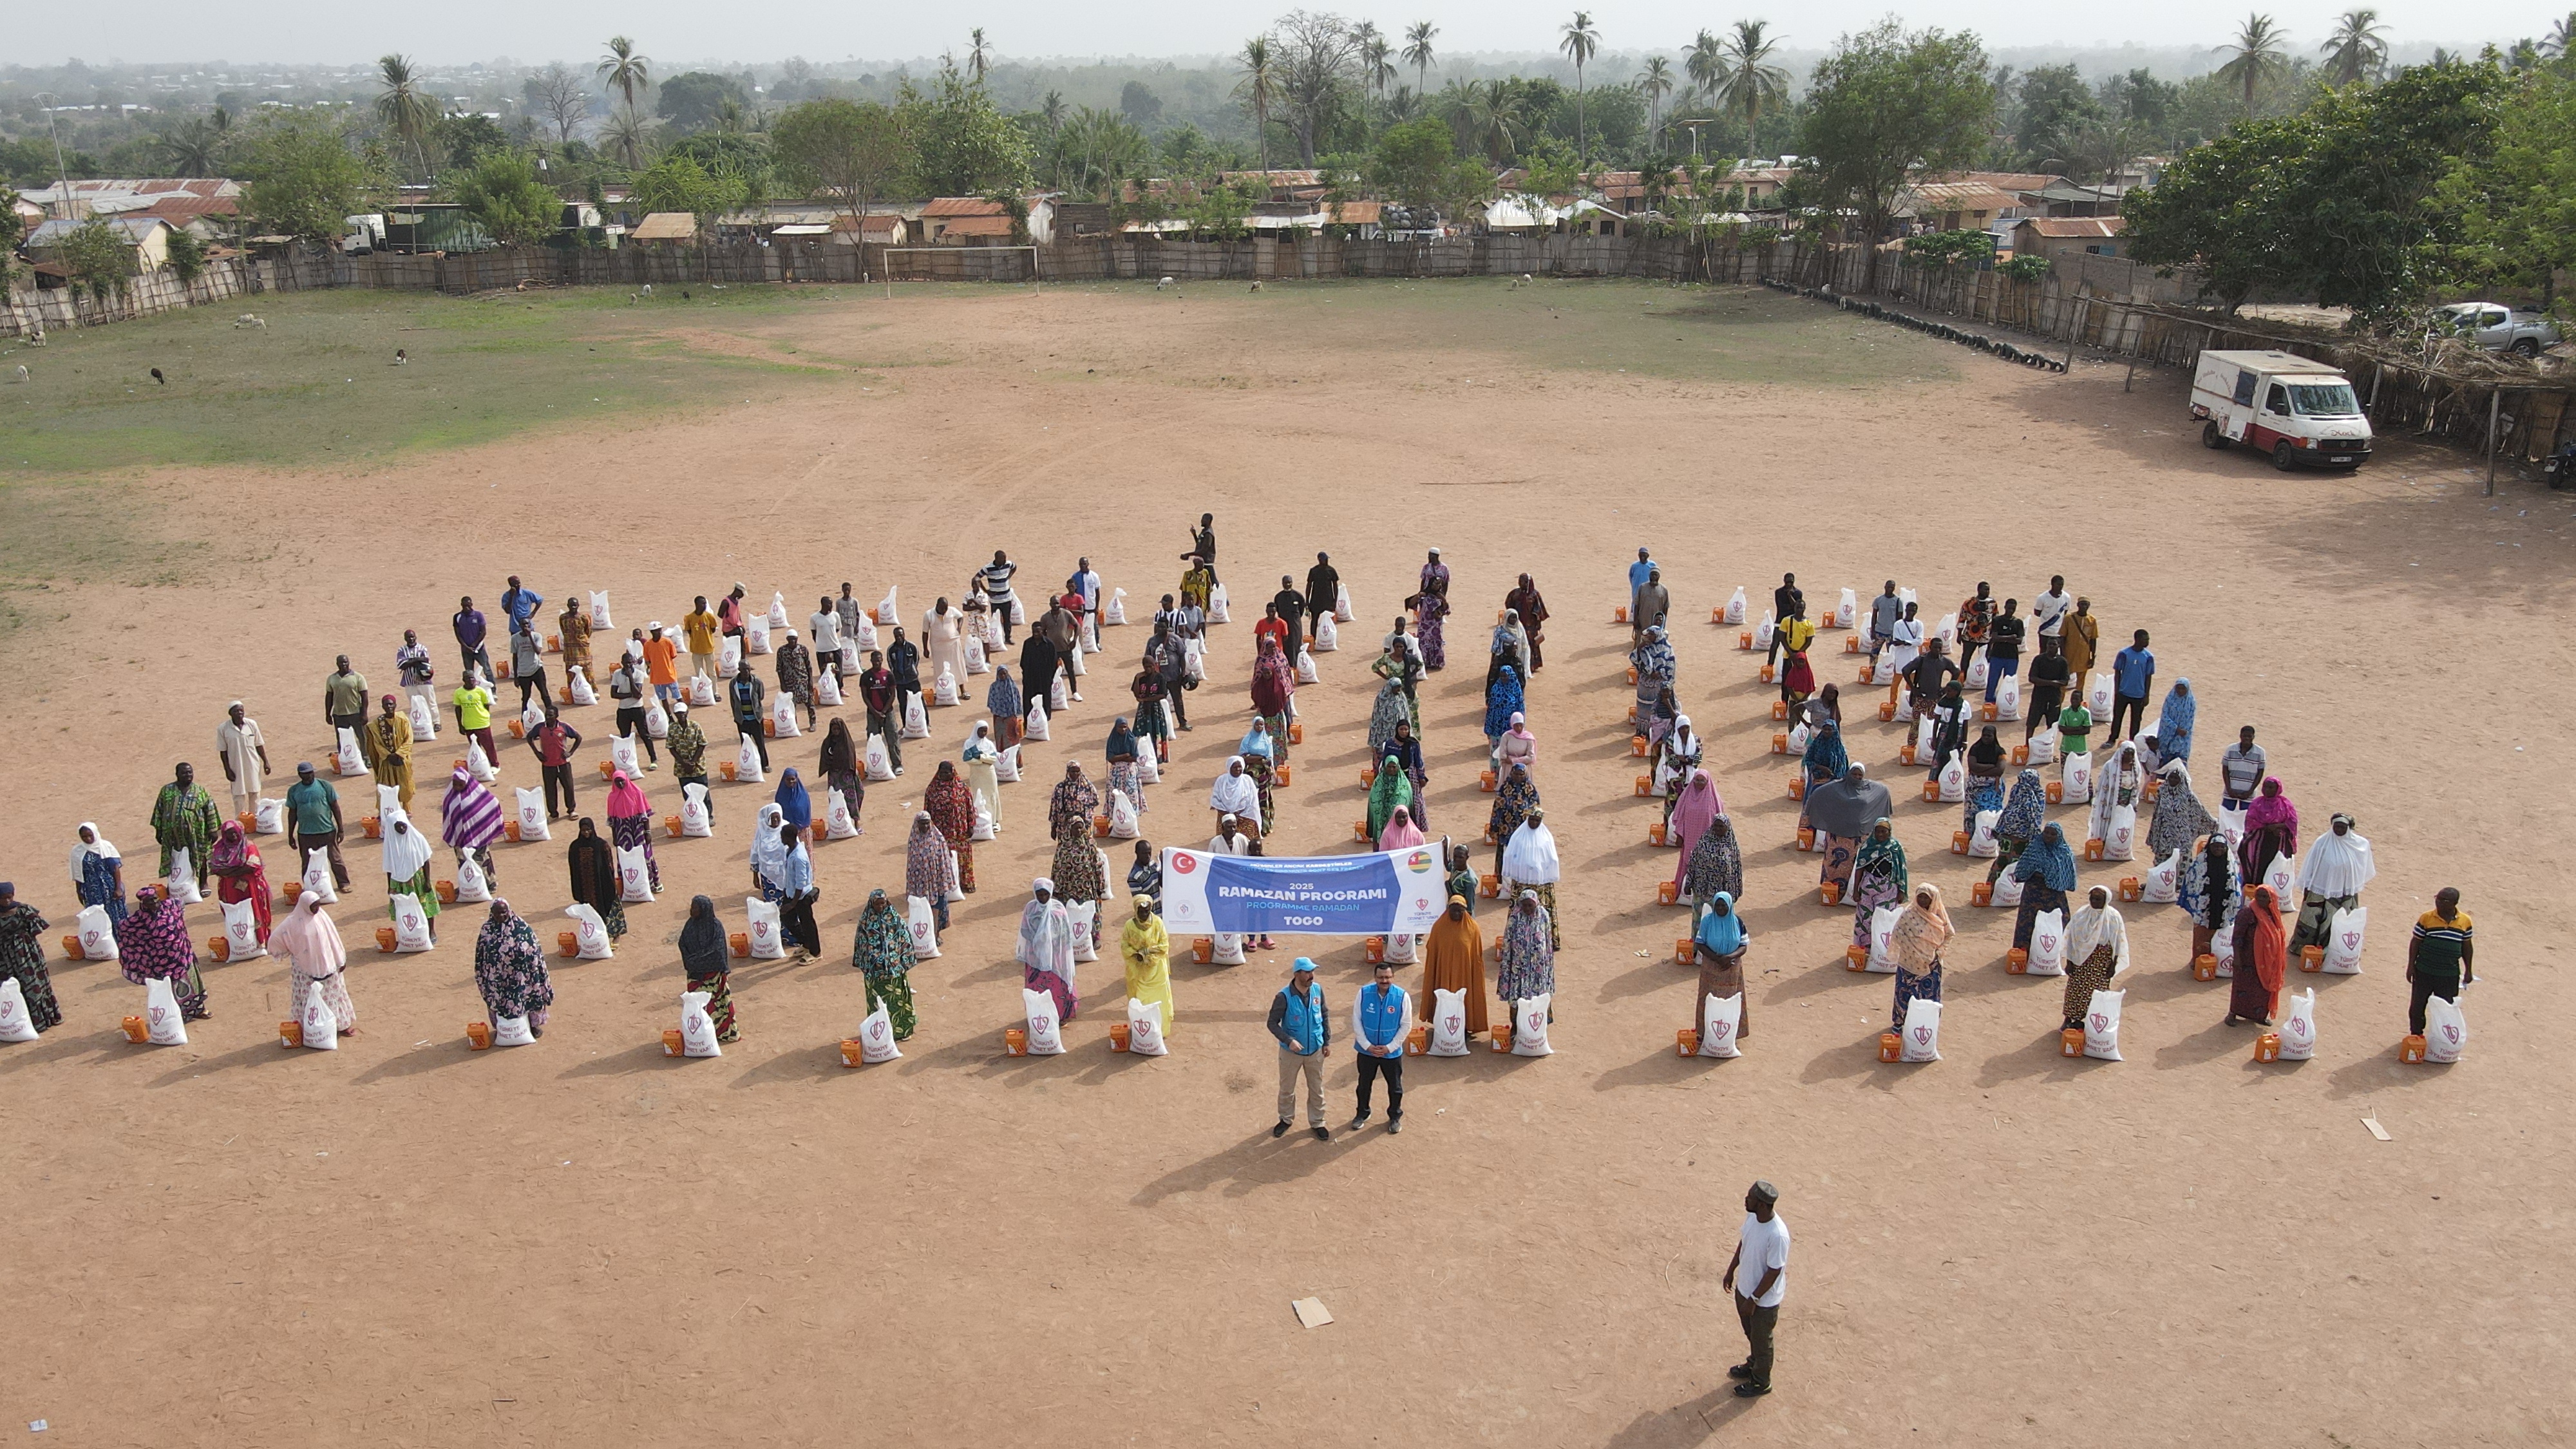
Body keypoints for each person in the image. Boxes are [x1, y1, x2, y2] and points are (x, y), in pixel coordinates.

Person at [1725, 1182, 1791, 1398]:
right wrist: (1731, 1269)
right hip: (1744, 1290)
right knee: (1751, 1334)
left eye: (1750, 1198)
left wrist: (1754, 1299)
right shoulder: (1753, 1217)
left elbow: (1774, 1271)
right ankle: (1753, 1365)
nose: (1746, 1199)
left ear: (1762, 1205)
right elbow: (1744, 1242)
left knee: (1762, 1342)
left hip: (1762, 1301)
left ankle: (1762, 1382)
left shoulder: (1778, 1235)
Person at [2289, 813, 2374, 954]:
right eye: (2337, 826)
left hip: (2344, 892)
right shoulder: (2322, 843)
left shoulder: (2358, 845)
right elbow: (2311, 865)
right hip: (2320, 891)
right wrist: (2308, 886)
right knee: (2313, 919)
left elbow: (2362, 866)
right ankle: (2305, 948)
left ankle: (2335, 951)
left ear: (2349, 828)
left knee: (2339, 921)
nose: (2339, 830)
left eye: (2343, 827)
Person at [117, 886, 206, 1021]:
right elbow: (123, 928)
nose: (153, 903)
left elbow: (180, 904)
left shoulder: (171, 907)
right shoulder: (139, 921)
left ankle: (199, 1009)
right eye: (149, 902)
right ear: (143, 904)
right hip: (161, 965)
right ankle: (177, 1015)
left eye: (154, 899)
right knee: (170, 990)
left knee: (192, 983)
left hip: (182, 956)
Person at [1804, 765, 1892, 896]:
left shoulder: (1869, 789)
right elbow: (1819, 793)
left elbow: (1883, 791)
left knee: (1855, 864)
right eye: (1854, 774)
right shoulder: (1836, 787)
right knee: (1835, 864)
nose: (1857, 777)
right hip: (1838, 837)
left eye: (1860, 775)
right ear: (1848, 774)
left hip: (1859, 837)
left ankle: (1851, 892)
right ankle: (1831, 890)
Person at [473, 900, 552, 1036]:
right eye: (497, 913)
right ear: (492, 913)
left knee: (526, 998)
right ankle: (504, 1029)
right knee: (499, 1001)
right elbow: (481, 953)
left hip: (522, 976)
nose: (501, 916)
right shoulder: (487, 930)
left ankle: (533, 1026)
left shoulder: (521, 927)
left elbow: (534, 950)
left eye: (504, 912)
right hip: (498, 977)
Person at [1049, 764, 1108, 946]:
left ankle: (1095, 935)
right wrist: (1057, 890)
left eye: (1080, 828)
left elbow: (1098, 865)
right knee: (1071, 910)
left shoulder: (1090, 845)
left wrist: (1100, 885)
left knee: (1091, 908)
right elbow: (1057, 869)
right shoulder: (1064, 847)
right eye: (1072, 771)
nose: (1078, 831)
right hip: (1070, 887)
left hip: (1088, 886)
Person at [1419, 895, 1490, 1038]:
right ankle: (1443, 1026)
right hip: (1443, 973)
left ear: (1465, 911)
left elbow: (1476, 956)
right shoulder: (1439, 927)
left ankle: (1464, 1027)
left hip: (1465, 975)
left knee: (1464, 999)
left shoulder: (1473, 928)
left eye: (1460, 911)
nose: (1457, 914)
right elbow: (1433, 950)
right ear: (1448, 909)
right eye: (1454, 910)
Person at [2060, 886, 2130, 1029]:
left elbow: (2117, 942)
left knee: (2098, 994)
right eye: (2092, 898)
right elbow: (2072, 939)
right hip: (2081, 962)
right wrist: (2069, 961)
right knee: (2075, 991)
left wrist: (2113, 965)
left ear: (2106, 900)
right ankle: (2069, 1019)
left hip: (2100, 964)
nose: (2094, 902)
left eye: (2098, 899)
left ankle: (2092, 1025)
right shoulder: (2082, 915)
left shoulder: (2113, 917)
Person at [851, 889, 918, 1039]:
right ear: (872, 904)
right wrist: (870, 964)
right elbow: (861, 946)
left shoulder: (895, 919)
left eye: (883, 903)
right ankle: (881, 1035)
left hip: (895, 970)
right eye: (877, 904)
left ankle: (902, 1030)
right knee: (878, 1003)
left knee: (898, 1001)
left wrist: (902, 962)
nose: (880, 907)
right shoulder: (865, 922)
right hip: (875, 972)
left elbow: (905, 940)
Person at [2407, 888, 2474, 1036]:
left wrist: (2469, 970)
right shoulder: (2426, 918)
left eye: (2444, 900)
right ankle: (2416, 1035)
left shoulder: (2465, 921)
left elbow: (2467, 947)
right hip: (2424, 970)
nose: (2439, 902)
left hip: (2449, 974)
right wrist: (2411, 966)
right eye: (2438, 898)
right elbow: (2416, 943)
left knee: (2447, 1008)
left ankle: (2441, 1037)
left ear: (2455, 903)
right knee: (2417, 1007)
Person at [676, 895, 738, 1044]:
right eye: (692, 907)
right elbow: (682, 944)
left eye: (695, 908)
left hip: (713, 974)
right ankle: (702, 1034)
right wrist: (691, 961)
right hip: (695, 974)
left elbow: (717, 950)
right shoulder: (690, 925)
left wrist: (697, 960)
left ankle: (724, 1032)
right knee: (698, 1005)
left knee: (718, 1003)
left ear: (703, 910)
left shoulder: (715, 926)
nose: (692, 911)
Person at [152, 761, 223, 891]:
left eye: (190, 772)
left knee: (200, 857)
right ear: (177, 774)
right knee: (175, 859)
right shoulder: (166, 791)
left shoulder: (200, 791)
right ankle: (175, 885)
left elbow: (210, 810)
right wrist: (159, 830)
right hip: (172, 835)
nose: (188, 775)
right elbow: (159, 811)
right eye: (184, 773)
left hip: (197, 834)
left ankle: (203, 883)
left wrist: (213, 830)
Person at [1890, 884, 1951, 1030]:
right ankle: (1900, 1022)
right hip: (1908, 963)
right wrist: (1913, 950)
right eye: (1920, 897)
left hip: (1931, 965)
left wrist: (1938, 953)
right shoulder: (1909, 914)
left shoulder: (1939, 916)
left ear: (1933, 900)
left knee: (1928, 995)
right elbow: (1898, 933)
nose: (1923, 901)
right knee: (1905, 992)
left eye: (1926, 898)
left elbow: (1949, 934)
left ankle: (1927, 1024)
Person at [0, 884, 59, 1034]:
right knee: (13, 987)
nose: (6, 901)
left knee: (34, 985)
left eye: (9, 897)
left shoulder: (24, 910)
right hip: (6, 958)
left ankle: (43, 1020)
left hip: (28, 955)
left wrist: (20, 941)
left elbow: (38, 928)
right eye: (2, 898)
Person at [1500, 808, 1562, 950]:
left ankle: (1546, 940)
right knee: (1520, 911)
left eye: (1537, 821)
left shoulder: (1546, 838)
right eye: (1532, 820)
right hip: (1522, 884)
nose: (1534, 823)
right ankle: (1515, 941)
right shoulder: (1518, 837)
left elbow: (1552, 858)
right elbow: (1510, 856)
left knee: (1541, 912)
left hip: (1540, 884)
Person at [2012, 823, 2078, 954]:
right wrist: (2037, 872)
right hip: (2034, 893)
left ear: (2059, 836)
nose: (2048, 836)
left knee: (2057, 921)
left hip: (2054, 894)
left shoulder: (2065, 852)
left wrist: (2050, 875)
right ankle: (2025, 950)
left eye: (2053, 834)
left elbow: (2067, 873)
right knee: (2029, 921)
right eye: (2046, 833)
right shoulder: (2034, 848)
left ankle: (2054, 952)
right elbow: (2022, 869)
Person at [1691, 891, 1750, 1038]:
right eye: (1718, 905)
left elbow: (1743, 946)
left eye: (1724, 905)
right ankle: (1705, 1033)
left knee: (1731, 1001)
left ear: (1730, 906)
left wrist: (1730, 957)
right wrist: (1717, 959)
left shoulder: (1738, 922)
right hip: (1711, 968)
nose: (1720, 908)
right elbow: (1700, 943)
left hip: (1732, 968)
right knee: (1708, 999)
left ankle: (1731, 1035)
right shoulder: (1707, 922)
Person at [2226, 884, 2287, 1027]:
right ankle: (2233, 1013)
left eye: (2265, 896)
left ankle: (2258, 1015)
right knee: (2243, 986)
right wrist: (2238, 958)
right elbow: (2238, 937)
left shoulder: (2273, 914)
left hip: (2267, 961)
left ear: (2271, 899)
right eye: (2259, 895)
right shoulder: (2248, 913)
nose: (2261, 899)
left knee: (2262, 989)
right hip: (2248, 959)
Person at [1019, 879, 1079, 1021]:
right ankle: (1038, 1016)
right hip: (1036, 957)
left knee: (1056, 986)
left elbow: (1065, 934)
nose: (1043, 898)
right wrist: (1038, 941)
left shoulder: (1058, 909)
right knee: (1037, 988)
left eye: (1046, 894)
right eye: (1039, 895)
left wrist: (1051, 941)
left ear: (1051, 893)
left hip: (1055, 957)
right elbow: (1024, 929)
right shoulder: (1030, 909)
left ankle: (1060, 1015)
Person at [2181, 829, 2240, 971]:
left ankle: (2218, 966)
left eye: (2222, 847)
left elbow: (2236, 888)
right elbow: (2192, 884)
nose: (2218, 849)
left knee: (2220, 938)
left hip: (2223, 910)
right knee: (2202, 937)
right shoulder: (2200, 864)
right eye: (2215, 847)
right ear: (2209, 847)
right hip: (2204, 911)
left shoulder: (2231, 866)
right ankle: (2199, 963)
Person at [440, 762, 505, 890]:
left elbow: (492, 803)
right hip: (460, 839)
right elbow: (448, 816)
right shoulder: (450, 796)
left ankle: (489, 884)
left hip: (478, 836)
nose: (458, 787)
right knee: (464, 863)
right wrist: (452, 836)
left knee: (482, 861)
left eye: (461, 784)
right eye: (455, 784)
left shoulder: (477, 793)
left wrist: (485, 828)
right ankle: (469, 887)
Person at [1495, 889, 1555, 1026]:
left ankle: (1538, 1026)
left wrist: (1548, 965)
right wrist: (1507, 966)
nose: (1527, 909)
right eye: (1524, 905)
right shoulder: (1514, 918)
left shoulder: (1544, 916)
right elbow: (1507, 942)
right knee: (1517, 998)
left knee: (1538, 996)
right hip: (1518, 969)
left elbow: (1548, 942)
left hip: (1538, 970)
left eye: (1530, 905)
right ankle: (1516, 1026)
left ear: (1536, 905)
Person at [209, 821, 271, 947]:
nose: (233, 835)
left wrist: (230, 872)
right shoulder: (220, 849)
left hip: (250, 888)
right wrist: (238, 869)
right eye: (229, 833)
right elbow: (217, 870)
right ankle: (241, 945)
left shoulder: (249, 846)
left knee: (253, 911)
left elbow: (252, 867)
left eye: (235, 832)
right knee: (235, 916)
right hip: (230, 890)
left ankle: (259, 942)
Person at [1848, 819, 1907, 949]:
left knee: (1884, 918)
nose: (1880, 835)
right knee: (1865, 918)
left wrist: (1901, 891)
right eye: (1878, 831)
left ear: (1889, 832)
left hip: (1888, 889)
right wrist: (1856, 890)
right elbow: (1860, 869)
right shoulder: (1867, 847)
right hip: (1868, 887)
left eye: (1884, 832)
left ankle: (1881, 949)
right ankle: (1864, 948)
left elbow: (1901, 869)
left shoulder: (1895, 848)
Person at [1122, 893, 1175, 1039]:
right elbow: (1124, 945)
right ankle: (1142, 1032)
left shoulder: (1158, 923)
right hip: (1138, 974)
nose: (1145, 914)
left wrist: (1146, 953)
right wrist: (1135, 954)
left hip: (1157, 972)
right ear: (1135, 910)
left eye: (1147, 910)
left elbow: (1164, 946)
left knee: (1159, 1003)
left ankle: (1160, 1031)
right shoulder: (1129, 926)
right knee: (1140, 1004)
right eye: (1141, 910)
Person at [382, 808, 438, 943]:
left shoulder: (416, 838)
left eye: (403, 824)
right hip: (399, 882)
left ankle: (431, 931)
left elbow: (425, 860)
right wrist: (390, 886)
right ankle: (408, 935)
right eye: (398, 826)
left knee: (425, 905)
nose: (402, 828)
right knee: (404, 911)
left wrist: (428, 881)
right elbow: (389, 868)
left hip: (418, 879)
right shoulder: (391, 845)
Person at [567, 819, 626, 943]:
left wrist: (611, 884)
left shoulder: (601, 845)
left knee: (608, 907)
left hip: (603, 884)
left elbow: (609, 866)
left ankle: (615, 935)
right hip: (585, 887)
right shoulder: (575, 847)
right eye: (583, 830)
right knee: (590, 914)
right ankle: (595, 940)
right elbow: (573, 869)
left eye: (588, 830)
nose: (586, 833)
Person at [1985, 768, 2047, 884]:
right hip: (2023, 837)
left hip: (2007, 833)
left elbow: (2008, 808)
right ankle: (2013, 893)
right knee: (2018, 863)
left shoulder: (2017, 788)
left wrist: (1999, 828)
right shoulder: (2037, 794)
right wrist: (2036, 837)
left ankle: (1991, 887)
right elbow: (2034, 816)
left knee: (2002, 860)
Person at [358, 694, 417, 811]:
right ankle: (385, 810)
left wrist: (399, 754)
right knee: (385, 786)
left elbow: (409, 739)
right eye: (386, 704)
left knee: (405, 784)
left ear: (395, 705)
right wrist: (388, 755)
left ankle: (407, 809)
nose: (389, 706)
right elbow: (376, 743)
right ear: (383, 707)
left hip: (402, 759)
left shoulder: (403, 720)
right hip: (386, 760)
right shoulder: (376, 725)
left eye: (391, 704)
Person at [215, 701, 271, 820]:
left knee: (255, 792)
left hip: (252, 764)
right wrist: (227, 770)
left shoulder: (252, 725)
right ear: (230, 713)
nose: (239, 713)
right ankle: (240, 823)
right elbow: (223, 752)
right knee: (239, 795)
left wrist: (266, 762)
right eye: (236, 711)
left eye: (241, 710)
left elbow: (259, 745)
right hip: (235, 767)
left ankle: (254, 820)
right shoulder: (223, 729)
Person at [772, 821, 820, 959]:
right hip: (791, 893)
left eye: (782, 836)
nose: (781, 839)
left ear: (789, 838)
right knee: (788, 920)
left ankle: (815, 953)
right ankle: (806, 944)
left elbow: (801, 882)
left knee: (808, 924)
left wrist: (793, 904)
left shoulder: (799, 857)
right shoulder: (790, 851)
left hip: (801, 897)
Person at [2239, 777, 2298, 887]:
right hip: (2260, 842)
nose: (2268, 790)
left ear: (2278, 789)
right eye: (2266, 787)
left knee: (2276, 867)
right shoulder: (2257, 803)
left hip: (2278, 842)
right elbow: (2251, 821)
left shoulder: (2285, 804)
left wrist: (2277, 826)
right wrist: (2266, 828)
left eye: (2271, 788)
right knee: (2259, 868)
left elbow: (2292, 822)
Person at [526, 705, 582, 819]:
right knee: (550, 789)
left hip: (563, 764)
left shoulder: (564, 727)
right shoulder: (540, 728)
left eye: (550, 715)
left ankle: (571, 810)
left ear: (556, 716)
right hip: (548, 765)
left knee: (569, 787)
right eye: (546, 715)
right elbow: (529, 737)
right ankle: (553, 813)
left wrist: (570, 752)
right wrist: (537, 753)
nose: (548, 717)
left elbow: (578, 737)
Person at [2087, 741, 2145, 849]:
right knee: (2109, 822)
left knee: (2122, 825)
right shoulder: (2110, 766)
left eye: (2131, 754)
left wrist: (2133, 803)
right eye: (2126, 754)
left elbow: (2136, 787)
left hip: (2127, 801)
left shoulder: (2136, 768)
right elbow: (2103, 785)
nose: (2128, 757)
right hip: (2111, 800)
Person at [1683, 813, 1744, 916]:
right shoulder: (1704, 841)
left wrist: (1736, 892)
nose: (1718, 829)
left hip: (1722, 894)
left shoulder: (1731, 846)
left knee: (1720, 922)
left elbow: (1736, 871)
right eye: (1716, 825)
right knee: (1699, 922)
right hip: (1702, 891)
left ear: (1727, 827)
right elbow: (1693, 862)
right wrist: (1688, 883)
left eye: (1721, 826)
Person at [1251, 636, 1296, 772]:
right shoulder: (1261, 660)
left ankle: (1280, 759)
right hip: (1265, 710)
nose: (1272, 649)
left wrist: (1287, 688)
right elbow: (1256, 677)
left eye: (1274, 646)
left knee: (1284, 725)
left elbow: (1286, 671)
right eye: (1270, 646)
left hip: (1281, 696)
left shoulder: (1281, 656)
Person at [608, 650, 659, 769]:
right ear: (622, 663)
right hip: (623, 710)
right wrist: (630, 695)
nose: (628, 665)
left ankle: (653, 758)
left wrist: (631, 677)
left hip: (637, 709)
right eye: (626, 663)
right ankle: (629, 763)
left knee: (644, 734)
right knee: (625, 737)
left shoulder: (639, 674)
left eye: (630, 663)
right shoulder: (617, 674)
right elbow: (614, 694)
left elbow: (638, 693)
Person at [1488, 762, 1540, 878]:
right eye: (1516, 774)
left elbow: (1537, 811)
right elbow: (1497, 808)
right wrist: (1494, 827)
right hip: (1506, 829)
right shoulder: (1505, 788)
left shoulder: (1530, 790)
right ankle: (1503, 881)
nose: (1518, 777)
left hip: (1523, 831)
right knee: (1505, 854)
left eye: (1521, 774)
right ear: (1511, 773)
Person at [71, 822, 127, 925]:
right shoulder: (77, 851)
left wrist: (118, 888)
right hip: (91, 890)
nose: (88, 839)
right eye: (84, 837)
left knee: (115, 916)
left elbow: (115, 869)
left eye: (90, 835)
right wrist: (79, 891)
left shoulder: (105, 846)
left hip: (109, 887)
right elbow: (78, 873)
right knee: (97, 917)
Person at [665, 702, 709, 822]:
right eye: (679, 714)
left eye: (683, 713)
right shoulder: (672, 728)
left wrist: (693, 762)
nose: (681, 716)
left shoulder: (695, 726)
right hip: (682, 769)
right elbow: (671, 747)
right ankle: (694, 818)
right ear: (675, 714)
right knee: (688, 796)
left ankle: (708, 816)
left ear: (687, 713)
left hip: (698, 766)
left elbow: (702, 744)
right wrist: (683, 763)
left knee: (703, 794)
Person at [2023, 636, 2070, 745]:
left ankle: (2049, 746)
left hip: (2054, 698)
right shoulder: (2039, 659)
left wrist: (2044, 682)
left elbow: (2065, 681)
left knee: (2052, 725)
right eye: (2050, 644)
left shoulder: (2062, 662)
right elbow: (2032, 678)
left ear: (2058, 646)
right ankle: (2027, 745)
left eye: (2054, 644)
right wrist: (2053, 683)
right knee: (2031, 723)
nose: (2051, 646)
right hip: (2039, 697)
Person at [2109, 629, 2155, 741]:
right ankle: (2112, 738)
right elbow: (2117, 672)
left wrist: (2147, 695)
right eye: (2145, 639)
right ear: (2137, 639)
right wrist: (2117, 690)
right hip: (2123, 692)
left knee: (2136, 720)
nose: (2147, 642)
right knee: (2117, 717)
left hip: (2139, 694)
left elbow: (2148, 677)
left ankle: (2132, 741)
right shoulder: (2124, 654)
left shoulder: (2149, 657)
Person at [451, 668, 498, 773]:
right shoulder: (458, 693)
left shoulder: (481, 691)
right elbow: (458, 709)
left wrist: (485, 716)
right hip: (469, 725)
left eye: (472, 678)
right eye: (468, 678)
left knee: (489, 746)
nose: (471, 680)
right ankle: (481, 766)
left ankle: (495, 765)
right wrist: (460, 725)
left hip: (482, 723)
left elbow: (486, 705)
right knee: (475, 747)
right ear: (464, 680)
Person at [1412, 549, 1451, 670]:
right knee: (1423, 633)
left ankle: (1436, 661)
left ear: (1437, 556)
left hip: (1437, 601)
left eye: (1432, 556)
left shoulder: (1444, 568)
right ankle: (1424, 660)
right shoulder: (1426, 568)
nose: (1429, 557)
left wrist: (1442, 600)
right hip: (1426, 600)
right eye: (1429, 555)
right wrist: (1421, 596)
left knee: (1436, 633)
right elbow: (1423, 582)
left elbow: (1446, 585)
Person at [771, 628, 815, 733]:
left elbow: (809, 666)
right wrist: (782, 683)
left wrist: (811, 681)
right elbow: (779, 669)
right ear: (787, 639)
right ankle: (793, 725)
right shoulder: (782, 651)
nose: (792, 642)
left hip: (803, 681)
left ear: (797, 639)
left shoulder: (803, 649)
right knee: (791, 706)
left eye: (794, 639)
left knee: (810, 703)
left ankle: (813, 723)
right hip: (789, 683)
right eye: (790, 639)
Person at [1631, 625, 1675, 730]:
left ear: (1658, 636)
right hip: (1644, 685)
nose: (1649, 637)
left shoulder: (1667, 649)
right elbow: (1634, 659)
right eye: (1649, 634)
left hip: (1658, 685)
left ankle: (1656, 731)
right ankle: (1643, 730)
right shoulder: (1645, 647)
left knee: (1656, 708)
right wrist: (1640, 647)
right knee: (1644, 708)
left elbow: (1671, 666)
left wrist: (1659, 673)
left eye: (1652, 635)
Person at [2218, 726, 2268, 817]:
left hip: (2248, 794)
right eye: (2245, 736)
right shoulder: (2230, 749)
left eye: (2249, 736)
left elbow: (2260, 773)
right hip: (2230, 792)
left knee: (2247, 819)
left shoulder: (2260, 752)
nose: (2247, 739)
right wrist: (2229, 789)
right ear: (2240, 736)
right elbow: (2225, 770)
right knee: (2226, 817)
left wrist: (2250, 791)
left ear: (2253, 737)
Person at [1210, 757, 1262, 843]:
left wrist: (1239, 814)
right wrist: (1227, 814)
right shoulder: (1221, 780)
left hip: (1244, 815)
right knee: (1225, 842)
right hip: (1225, 814)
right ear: (1229, 767)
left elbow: (1252, 801)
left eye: (1240, 767)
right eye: (1235, 767)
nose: (1238, 769)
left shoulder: (1247, 780)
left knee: (1244, 842)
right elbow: (1215, 799)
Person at [730, 660, 770, 770]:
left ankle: (764, 765)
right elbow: (733, 701)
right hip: (742, 720)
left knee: (760, 743)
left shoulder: (757, 682)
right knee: (745, 746)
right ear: (739, 670)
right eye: (744, 670)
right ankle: (749, 766)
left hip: (756, 719)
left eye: (748, 669)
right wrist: (737, 717)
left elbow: (761, 696)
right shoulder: (734, 683)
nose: (746, 672)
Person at [1504, 573, 1549, 672]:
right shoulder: (1515, 594)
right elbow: (1508, 604)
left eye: (1523, 581)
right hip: (1517, 625)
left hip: (1530, 626)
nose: (1520, 583)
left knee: (1530, 645)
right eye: (1519, 581)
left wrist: (1536, 619)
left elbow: (1540, 610)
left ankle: (1531, 665)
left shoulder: (1535, 595)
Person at [1984, 598, 2025, 703]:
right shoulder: (1997, 620)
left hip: (2012, 657)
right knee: (1992, 681)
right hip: (1997, 655)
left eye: (2013, 609)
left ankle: (2006, 702)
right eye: (2009, 608)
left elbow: (2019, 641)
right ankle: (1989, 701)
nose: (2011, 610)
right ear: (2005, 607)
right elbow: (1994, 638)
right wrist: (2010, 637)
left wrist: (2003, 639)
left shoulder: (2018, 623)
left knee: (2009, 682)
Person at [1016, 627, 1059, 726]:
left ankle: (1044, 722)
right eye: (1034, 632)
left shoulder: (1049, 644)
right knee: (1028, 699)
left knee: (1045, 699)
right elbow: (1023, 661)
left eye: (1038, 632)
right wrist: (1026, 674)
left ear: (1042, 632)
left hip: (1044, 678)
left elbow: (1054, 663)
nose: (1036, 634)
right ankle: (1028, 723)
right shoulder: (1028, 643)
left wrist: (1050, 677)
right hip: (1030, 678)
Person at [1484, 662, 1526, 764]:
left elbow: (1520, 710)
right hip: (1497, 727)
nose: (1503, 678)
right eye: (1501, 676)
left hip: (1510, 727)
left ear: (1510, 676)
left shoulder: (1516, 690)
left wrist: (1520, 727)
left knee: (1510, 753)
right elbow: (1490, 711)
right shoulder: (1496, 689)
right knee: (1496, 754)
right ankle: (1496, 776)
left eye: (1505, 676)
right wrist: (1488, 729)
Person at [977, 551, 1021, 644]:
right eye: (1003, 559)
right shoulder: (988, 568)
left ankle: (1008, 638)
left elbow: (1014, 567)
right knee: (995, 621)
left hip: (1007, 599)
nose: (1005, 560)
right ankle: (997, 638)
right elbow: (977, 578)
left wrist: (1009, 576)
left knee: (1007, 620)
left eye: (1005, 558)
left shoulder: (1008, 564)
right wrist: (986, 591)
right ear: (996, 559)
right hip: (995, 600)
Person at [324, 654, 371, 741]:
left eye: (345, 662)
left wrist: (364, 714)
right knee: (342, 740)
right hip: (339, 715)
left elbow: (364, 697)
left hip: (356, 713)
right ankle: (344, 755)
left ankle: (365, 755)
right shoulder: (332, 679)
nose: (344, 665)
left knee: (362, 738)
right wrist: (328, 714)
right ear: (337, 664)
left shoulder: (358, 677)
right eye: (341, 663)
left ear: (349, 663)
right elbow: (329, 698)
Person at [1776, 607, 1816, 706]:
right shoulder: (1787, 621)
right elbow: (1782, 638)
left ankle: (1801, 702)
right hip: (1788, 655)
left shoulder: (1808, 624)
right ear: (1794, 608)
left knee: (1803, 679)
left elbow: (1809, 641)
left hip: (1801, 658)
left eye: (1801, 608)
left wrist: (1799, 655)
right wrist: (1791, 653)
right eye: (1797, 608)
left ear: (1804, 609)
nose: (1799, 610)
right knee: (1786, 681)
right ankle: (1785, 704)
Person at [507, 625, 549, 714]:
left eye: (528, 625)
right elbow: (515, 657)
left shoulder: (537, 636)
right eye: (524, 625)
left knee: (544, 693)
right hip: (523, 672)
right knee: (526, 696)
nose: (526, 627)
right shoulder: (515, 638)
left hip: (536, 669)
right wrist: (516, 676)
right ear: (520, 626)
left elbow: (538, 651)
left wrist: (530, 636)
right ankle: (524, 718)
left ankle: (551, 712)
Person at [396, 630, 438, 715]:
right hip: (409, 682)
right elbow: (401, 665)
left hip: (424, 681)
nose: (411, 639)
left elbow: (426, 662)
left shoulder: (422, 648)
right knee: (415, 704)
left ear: (416, 637)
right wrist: (417, 660)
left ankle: (436, 722)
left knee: (430, 702)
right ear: (405, 638)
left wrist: (410, 662)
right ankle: (420, 724)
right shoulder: (402, 650)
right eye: (409, 637)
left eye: (413, 637)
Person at [1765, 573, 1803, 667]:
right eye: (1787, 582)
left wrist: (1790, 596)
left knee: (1793, 646)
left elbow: (1797, 608)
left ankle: (1793, 666)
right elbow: (1782, 607)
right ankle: (1770, 665)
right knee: (1775, 645)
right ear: (1784, 581)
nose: (1789, 584)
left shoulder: (1798, 593)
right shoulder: (1779, 592)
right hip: (1780, 622)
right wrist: (1792, 604)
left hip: (1792, 624)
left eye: (1791, 582)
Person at [559, 598, 596, 691]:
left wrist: (581, 640)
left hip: (582, 648)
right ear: (568, 606)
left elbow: (588, 631)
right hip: (569, 649)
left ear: (579, 606)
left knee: (587, 668)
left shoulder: (583, 618)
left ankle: (593, 690)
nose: (573, 607)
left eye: (575, 605)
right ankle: (572, 690)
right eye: (571, 605)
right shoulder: (563, 618)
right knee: (570, 670)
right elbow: (563, 630)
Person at [2155, 679, 2197, 763]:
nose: (2180, 691)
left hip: (2182, 737)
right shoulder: (2170, 699)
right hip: (2167, 734)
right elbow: (2165, 716)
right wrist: (2176, 728)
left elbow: (2190, 719)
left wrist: (2182, 731)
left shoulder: (2191, 702)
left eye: (2183, 689)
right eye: (2178, 688)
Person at [451, 597, 491, 682]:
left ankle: (493, 689)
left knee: (487, 670)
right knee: (469, 672)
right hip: (466, 650)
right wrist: (466, 647)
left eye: (468, 605)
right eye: (464, 605)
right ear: (461, 605)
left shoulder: (478, 615)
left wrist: (474, 645)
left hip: (479, 648)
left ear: (471, 605)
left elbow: (483, 632)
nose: (466, 607)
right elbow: (458, 635)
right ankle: (472, 689)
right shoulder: (457, 617)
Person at [1499, 712, 1540, 791]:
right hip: (1509, 768)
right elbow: (1502, 754)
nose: (1519, 728)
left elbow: (1530, 757)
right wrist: (1509, 760)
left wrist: (1513, 761)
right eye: (1516, 726)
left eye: (1521, 725)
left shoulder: (1529, 738)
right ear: (1512, 725)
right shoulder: (1506, 736)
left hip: (1523, 768)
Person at [682, 596, 720, 682]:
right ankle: (702, 693)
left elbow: (713, 629)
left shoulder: (710, 617)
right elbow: (689, 631)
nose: (705, 605)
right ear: (696, 604)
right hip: (696, 650)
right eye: (702, 604)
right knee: (699, 674)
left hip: (709, 649)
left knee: (712, 673)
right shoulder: (689, 618)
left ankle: (714, 693)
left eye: (705, 603)